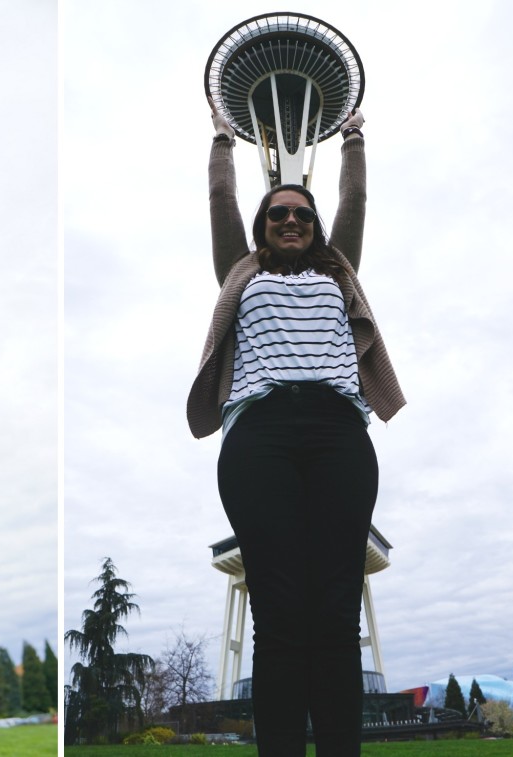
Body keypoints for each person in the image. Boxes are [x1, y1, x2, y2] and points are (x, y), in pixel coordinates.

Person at [186, 105, 405, 756]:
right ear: (262, 227)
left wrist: (355, 138)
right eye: (278, 213)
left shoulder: (339, 271)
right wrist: (222, 140)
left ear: (315, 229)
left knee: (337, 614)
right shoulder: (240, 271)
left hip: (340, 431)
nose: (290, 219)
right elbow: (221, 199)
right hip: (261, 434)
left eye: (302, 214)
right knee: (278, 614)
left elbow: (356, 198)